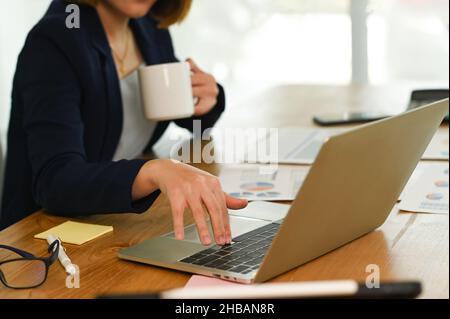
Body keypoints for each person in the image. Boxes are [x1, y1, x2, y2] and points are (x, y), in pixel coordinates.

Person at [1, 0, 248, 245]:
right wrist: (153, 171)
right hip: (41, 240)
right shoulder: (56, 39)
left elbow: (175, 109)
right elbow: (56, 182)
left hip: (108, 220)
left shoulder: (148, 24)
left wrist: (207, 99)